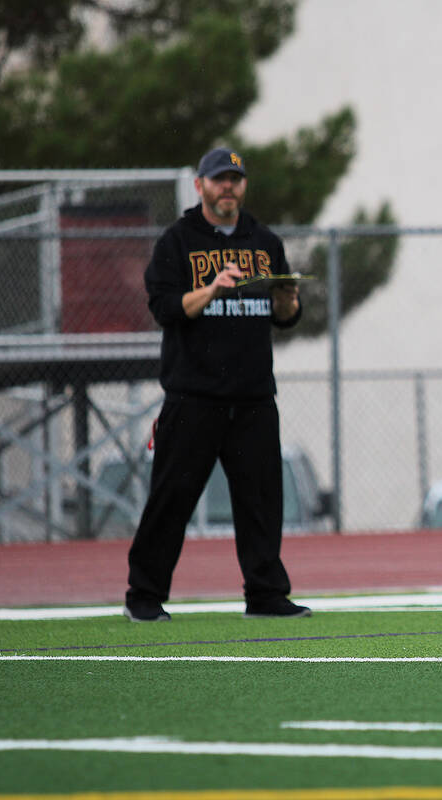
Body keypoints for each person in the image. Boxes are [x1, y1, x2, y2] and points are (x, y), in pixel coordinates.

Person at [123, 147, 311, 622]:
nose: (228, 187)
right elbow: (164, 308)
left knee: (262, 503)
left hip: (253, 397)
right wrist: (212, 289)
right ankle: (144, 596)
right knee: (171, 500)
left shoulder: (263, 241)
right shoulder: (178, 241)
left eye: (235, 179)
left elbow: (283, 318)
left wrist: (288, 300)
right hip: (194, 396)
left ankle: (265, 595)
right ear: (200, 185)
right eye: (219, 179)